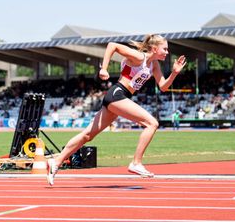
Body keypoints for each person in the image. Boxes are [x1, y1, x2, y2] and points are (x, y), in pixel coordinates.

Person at [46, 34, 186, 186]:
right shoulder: (139, 57)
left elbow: (163, 86)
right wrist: (104, 69)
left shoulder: (155, 65)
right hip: (117, 94)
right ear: (154, 48)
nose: (167, 52)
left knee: (87, 135)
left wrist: (174, 73)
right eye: (164, 49)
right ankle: (136, 163)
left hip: (120, 97)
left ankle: (56, 161)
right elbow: (112, 45)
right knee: (152, 123)